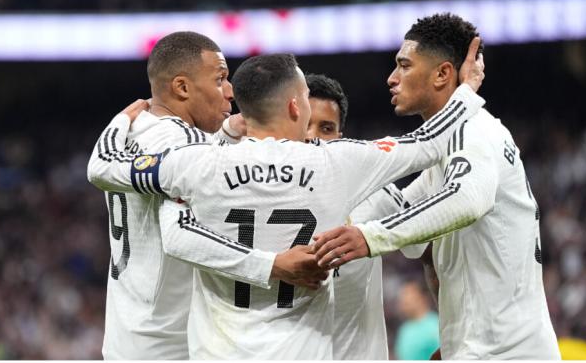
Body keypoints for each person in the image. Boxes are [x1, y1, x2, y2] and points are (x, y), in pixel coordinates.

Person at [87, 44, 485, 358]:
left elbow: (107, 169)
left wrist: (122, 121)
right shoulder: (338, 162)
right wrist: (466, 90)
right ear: (297, 106)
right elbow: (428, 142)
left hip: (216, 352)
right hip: (303, 351)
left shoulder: (197, 162)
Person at [313, 13, 562, 359]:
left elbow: (467, 198)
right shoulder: (445, 150)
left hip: (505, 352)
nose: (391, 78)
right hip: (482, 347)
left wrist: (370, 236)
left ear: (443, 74)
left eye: (404, 66)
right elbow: (406, 218)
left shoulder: (474, 131)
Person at [94, 31, 325, 360]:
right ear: (182, 87)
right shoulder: (183, 142)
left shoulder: (136, 129)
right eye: (220, 79)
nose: (230, 92)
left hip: (126, 337)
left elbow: (181, 171)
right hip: (172, 344)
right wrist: (271, 265)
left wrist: (227, 135)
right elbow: (181, 233)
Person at [305, 73, 408, 360]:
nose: (313, 137)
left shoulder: (375, 194)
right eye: (305, 124)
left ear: (340, 137)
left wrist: (449, 331)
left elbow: (428, 253)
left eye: (326, 128)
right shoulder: (260, 193)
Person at [394, 280, 440, 360]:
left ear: (422, 298)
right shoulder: (404, 330)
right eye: (403, 297)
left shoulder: (436, 325)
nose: (404, 301)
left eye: (409, 296)